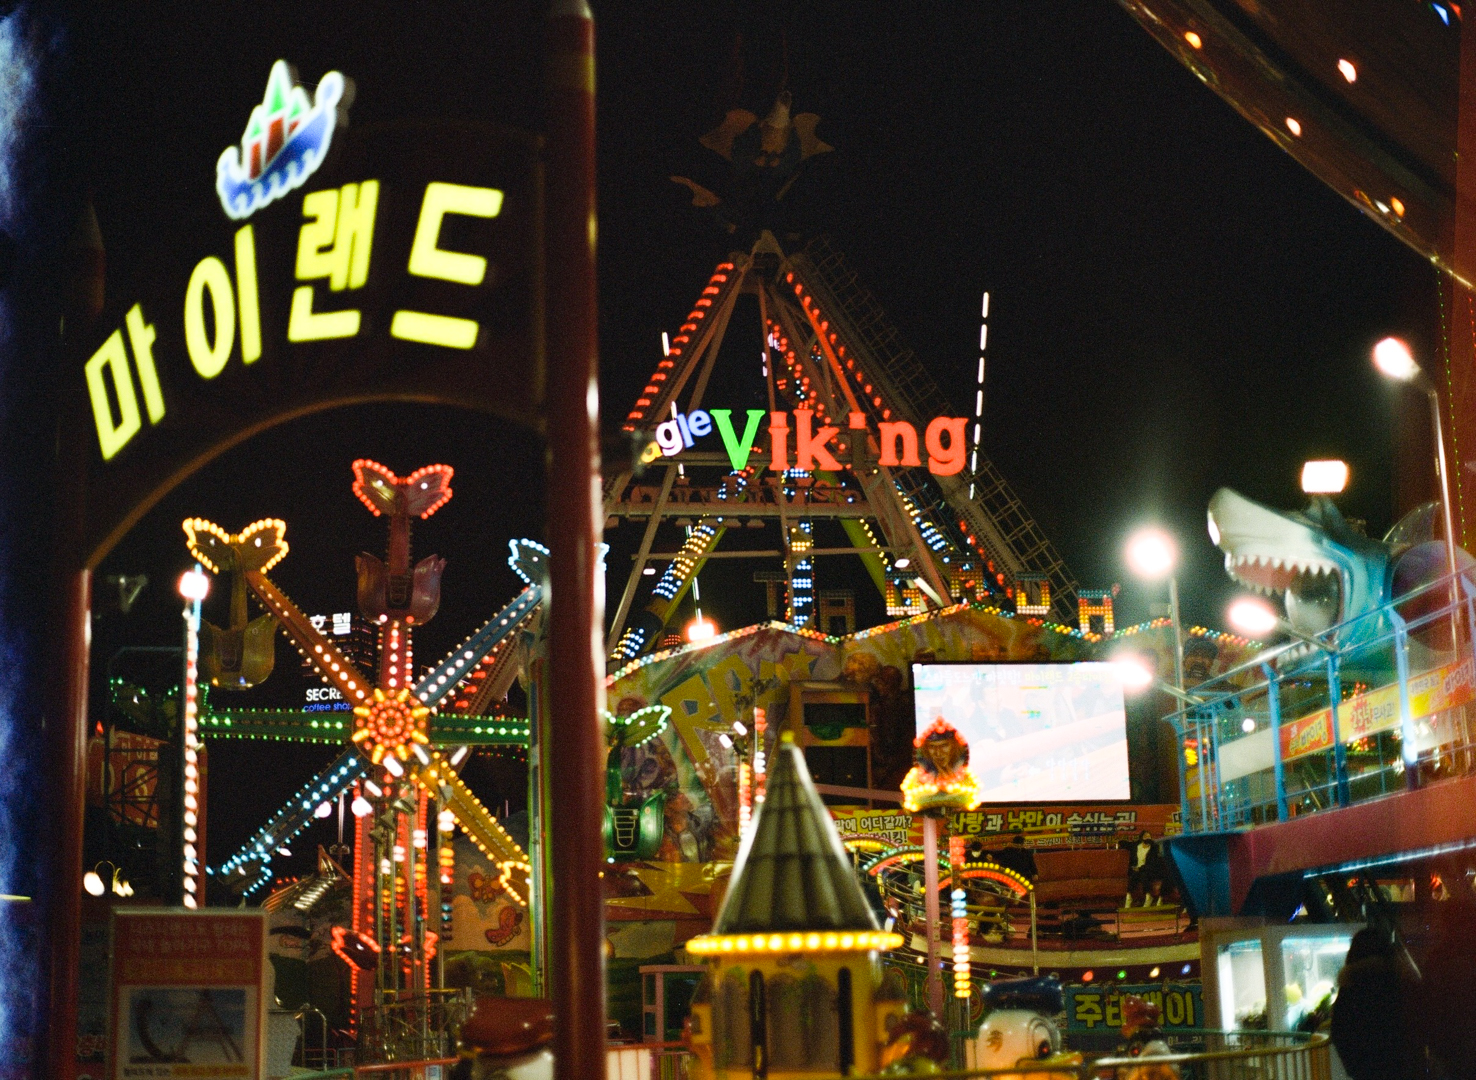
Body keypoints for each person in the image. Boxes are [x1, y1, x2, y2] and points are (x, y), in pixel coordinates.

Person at [1329, 928, 1417, 1080]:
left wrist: (1354, 1067)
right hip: (1400, 1069)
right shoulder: (1398, 982)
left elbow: (1339, 1030)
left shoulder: (1350, 988)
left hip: (1365, 1071)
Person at [1124, 831, 1164, 907]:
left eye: (1149, 837)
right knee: (1134, 876)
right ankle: (1129, 897)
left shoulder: (1153, 848)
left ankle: (1148, 896)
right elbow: (1122, 843)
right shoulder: (1137, 846)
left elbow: (1152, 863)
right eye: (1145, 836)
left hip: (1149, 870)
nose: (1147, 838)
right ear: (1141, 838)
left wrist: (1140, 868)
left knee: (1143, 874)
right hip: (1136, 870)